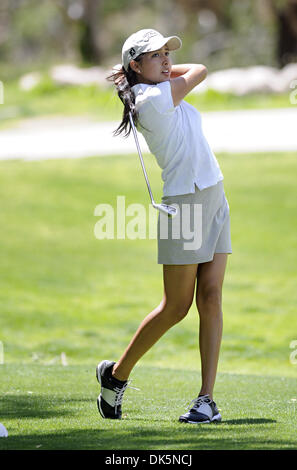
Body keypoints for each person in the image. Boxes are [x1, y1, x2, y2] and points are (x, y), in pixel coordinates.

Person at [96, 29, 232, 424]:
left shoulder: (155, 88)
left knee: (211, 297)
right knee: (176, 307)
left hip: (214, 194)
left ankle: (206, 400)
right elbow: (202, 68)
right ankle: (115, 376)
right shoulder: (152, 97)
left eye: (167, 53)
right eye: (155, 56)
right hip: (185, 205)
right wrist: (139, 77)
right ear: (135, 65)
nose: (167, 61)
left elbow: (186, 71)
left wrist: (146, 72)